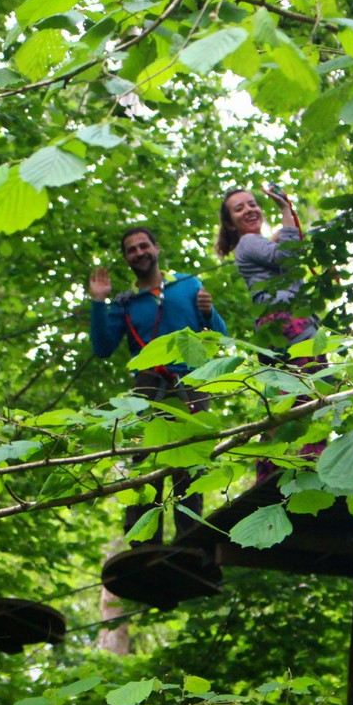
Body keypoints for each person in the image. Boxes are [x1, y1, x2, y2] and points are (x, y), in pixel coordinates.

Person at [89, 226, 227, 544]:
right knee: (144, 456)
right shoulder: (126, 303)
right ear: (126, 258)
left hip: (192, 379)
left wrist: (209, 311)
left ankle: (189, 539)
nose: (139, 253)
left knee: (189, 459)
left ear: (156, 248)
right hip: (148, 382)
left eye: (143, 246)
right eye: (131, 250)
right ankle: (142, 542)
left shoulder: (188, 284)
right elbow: (102, 347)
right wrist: (99, 302)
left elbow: (218, 335)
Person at [216, 188, 325, 481]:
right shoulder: (249, 242)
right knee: (310, 397)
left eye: (252, 204)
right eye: (239, 209)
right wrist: (286, 210)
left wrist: (280, 234)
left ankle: (272, 471)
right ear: (230, 223)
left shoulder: (255, 244)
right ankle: (310, 462)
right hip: (290, 324)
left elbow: (284, 254)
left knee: (284, 400)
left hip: (276, 329)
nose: (249, 210)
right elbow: (287, 259)